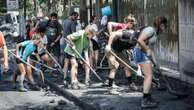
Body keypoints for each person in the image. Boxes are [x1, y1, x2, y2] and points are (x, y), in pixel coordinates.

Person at [132, 16, 167, 108]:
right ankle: (145, 101)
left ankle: (148, 97)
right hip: (140, 52)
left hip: (143, 53)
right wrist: (147, 49)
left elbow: (151, 50)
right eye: (165, 26)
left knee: (150, 76)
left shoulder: (155, 34)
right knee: (149, 76)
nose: (165, 29)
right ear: (162, 25)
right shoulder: (151, 30)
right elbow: (140, 40)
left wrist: (155, 63)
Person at [105, 14, 138, 94]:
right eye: (130, 22)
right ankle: (110, 88)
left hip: (119, 50)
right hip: (111, 48)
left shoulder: (136, 39)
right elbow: (113, 34)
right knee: (114, 67)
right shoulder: (128, 34)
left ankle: (131, 84)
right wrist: (109, 45)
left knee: (127, 66)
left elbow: (131, 47)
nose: (130, 25)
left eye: (132, 23)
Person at [62, 11, 78, 82]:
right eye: (76, 17)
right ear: (73, 15)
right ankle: (73, 79)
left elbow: (63, 32)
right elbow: (74, 34)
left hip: (64, 42)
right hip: (70, 43)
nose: (76, 19)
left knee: (66, 61)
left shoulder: (64, 21)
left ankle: (65, 76)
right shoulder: (72, 22)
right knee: (73, 63)